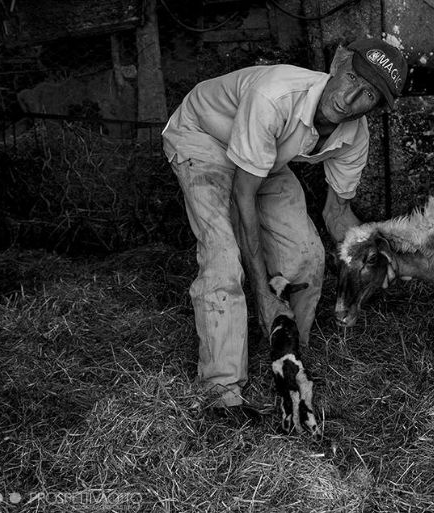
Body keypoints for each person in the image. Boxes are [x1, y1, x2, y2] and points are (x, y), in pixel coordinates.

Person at [162, 37, 408, 411]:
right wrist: (262, 292)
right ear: (340, 62)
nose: (351, 97)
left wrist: (381, 258)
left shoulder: (355, 137)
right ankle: (221, 394)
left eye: (369, 95)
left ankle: (290, 358)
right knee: (224, 258)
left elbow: (336, 213)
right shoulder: (275, 94)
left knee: (308, 255)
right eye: (353, 78)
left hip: (264, 157)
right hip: (204, 137)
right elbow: (244, 197)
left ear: (375, 108)